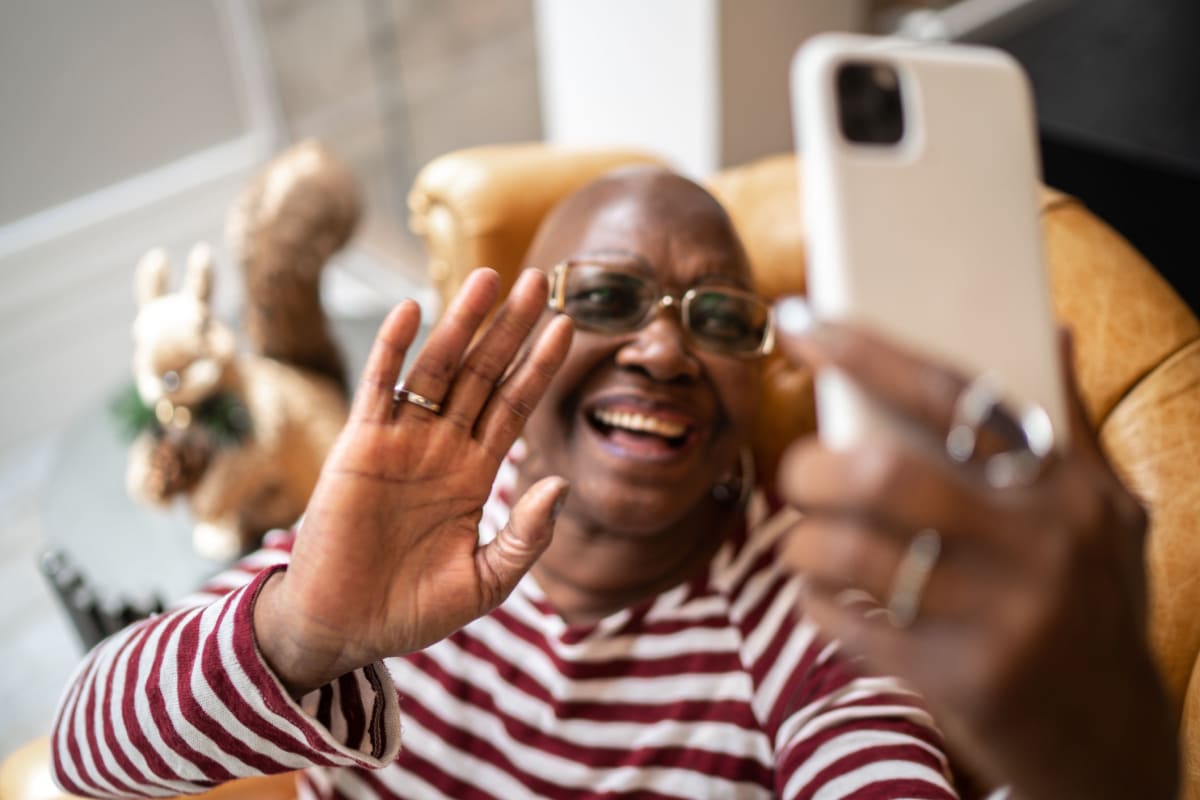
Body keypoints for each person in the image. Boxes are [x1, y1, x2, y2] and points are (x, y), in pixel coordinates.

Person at [49, 167, 1175, 799]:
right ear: (511, 336)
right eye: (605, 299)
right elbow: (83, 755)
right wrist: (301, 626)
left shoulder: (809, 596)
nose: (667, 351)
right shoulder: (406, 524)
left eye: (720, 318)